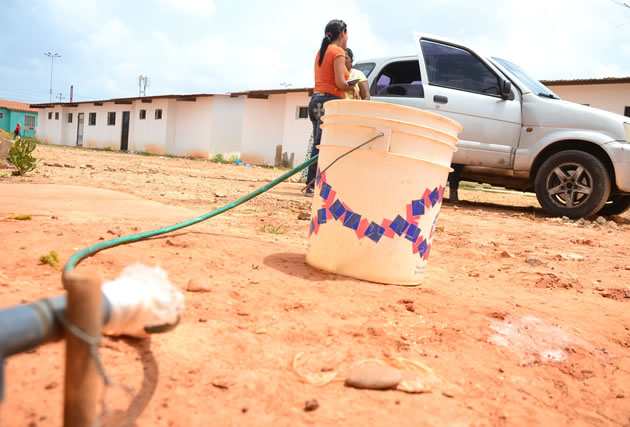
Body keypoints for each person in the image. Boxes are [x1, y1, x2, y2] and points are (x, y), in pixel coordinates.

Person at [304, 19, 357, 196]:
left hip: (316, 101)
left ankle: (315, 184)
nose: (348, 38)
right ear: (342, 33)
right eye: (347, 34)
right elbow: (340, 83)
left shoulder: (322, 51)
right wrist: (352, 86)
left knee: (318, 145)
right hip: (329, 103)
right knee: (324, 146)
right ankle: (313, 185)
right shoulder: (338, 52)